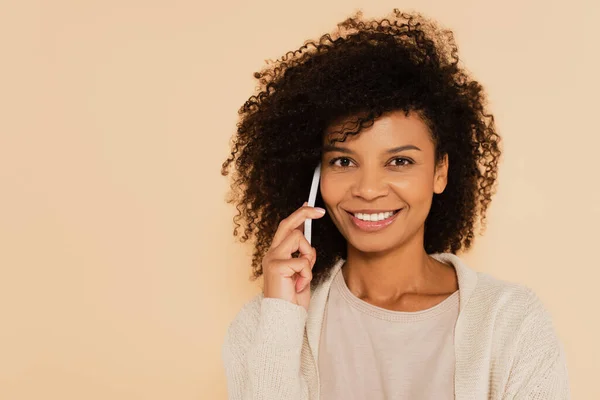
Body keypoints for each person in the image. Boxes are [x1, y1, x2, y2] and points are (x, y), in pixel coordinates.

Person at [220, 9, 570, 400]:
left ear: (440, 172)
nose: (368, 190)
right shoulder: (265, 324)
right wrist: (282, 319)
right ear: (315, 175)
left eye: (399, 161)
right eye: (343, 161)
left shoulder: (513, 322)